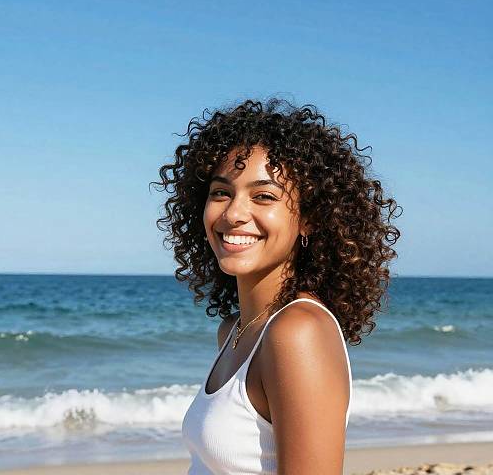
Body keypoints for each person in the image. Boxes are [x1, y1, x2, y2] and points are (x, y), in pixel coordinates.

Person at [151, 97, 401, 474]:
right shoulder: (234, 332)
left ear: (310, 220)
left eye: (264, 196)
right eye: (221, 192)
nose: (234, 213)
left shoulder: (299, 332)